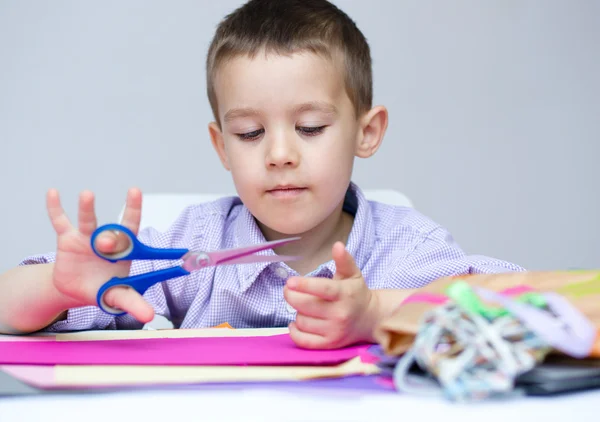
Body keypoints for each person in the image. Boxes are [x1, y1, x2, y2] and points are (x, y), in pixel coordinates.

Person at [0, 0, 523, 349]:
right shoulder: (195, 243)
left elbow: (529, 306)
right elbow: (6, 310)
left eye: (311, 127)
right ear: (221, 145)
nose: (278, 154)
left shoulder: (406, 248)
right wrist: (60, 287)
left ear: (367, 132)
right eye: (250, 133)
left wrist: (373, 314)